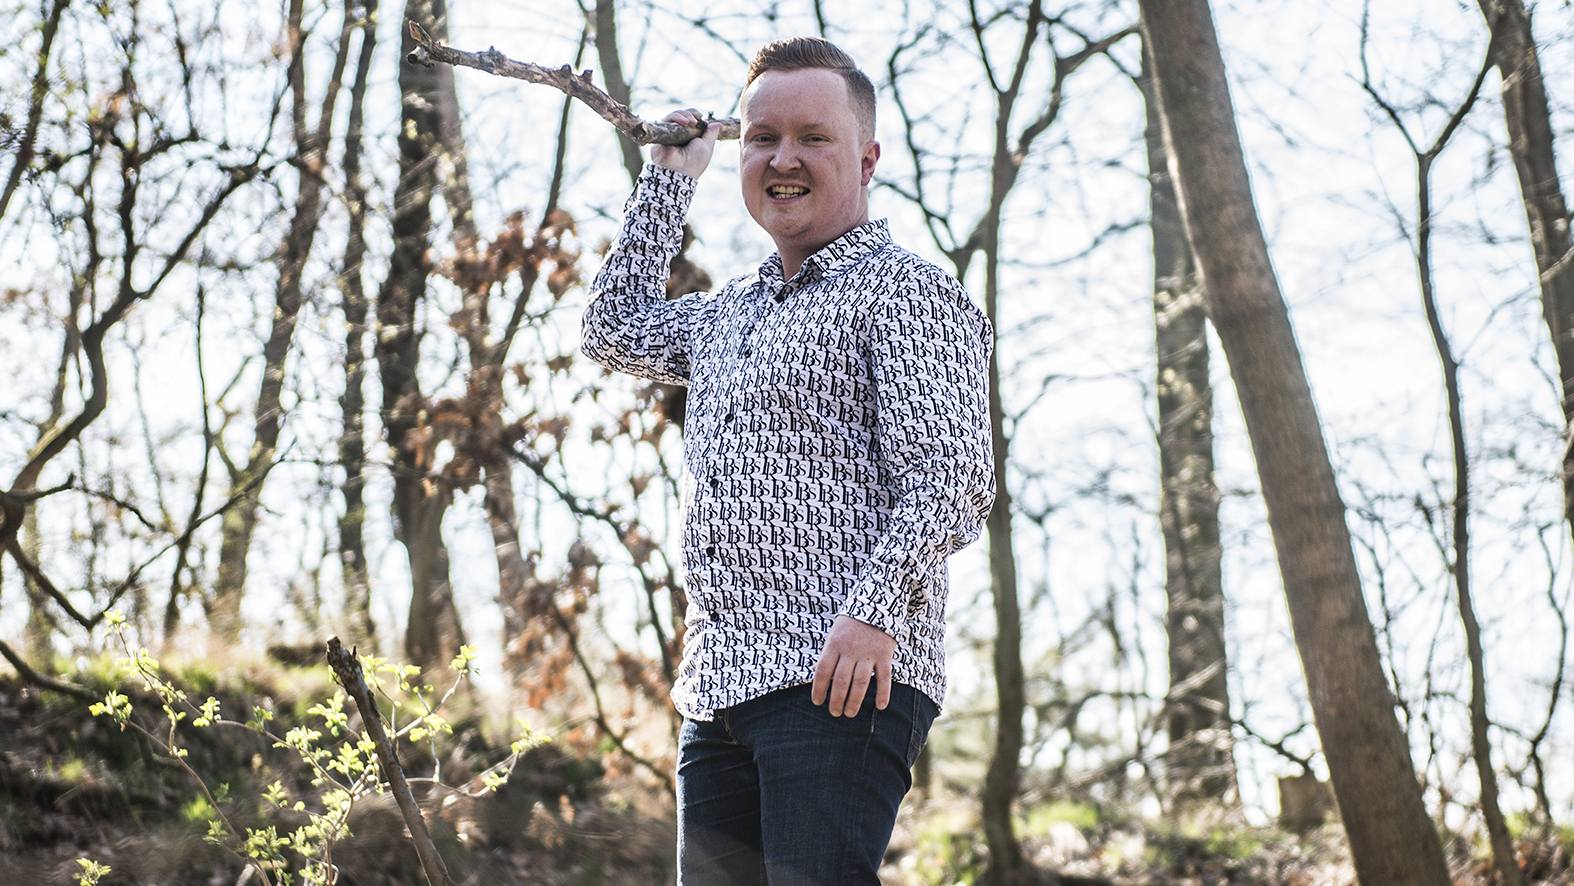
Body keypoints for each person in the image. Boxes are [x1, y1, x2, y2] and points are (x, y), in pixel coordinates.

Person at [580, 36, 995, 885]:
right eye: (763, 137)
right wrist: (667, 182)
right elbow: (613, 330)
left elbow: (952, 478)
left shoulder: (905, 290)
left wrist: (873, 612)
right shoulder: (731, 310)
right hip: (720, 686)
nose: (783, 159)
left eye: (813, 137)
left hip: (841, 675)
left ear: (867, 158)